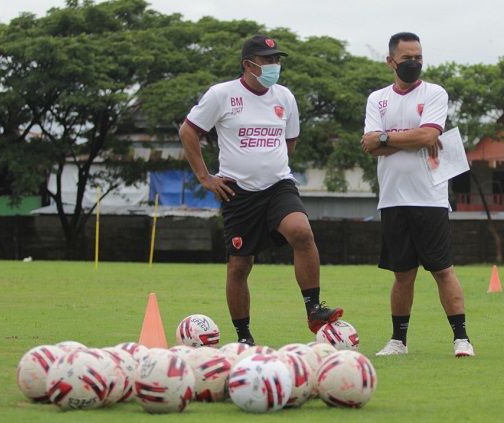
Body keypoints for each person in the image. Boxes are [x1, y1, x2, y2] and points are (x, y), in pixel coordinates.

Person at [178, 34, 342, 345]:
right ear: (248, 65)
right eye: (267, 61)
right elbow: (188, 131)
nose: (274, 66)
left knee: (302, 232)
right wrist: (205, 177)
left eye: (277, 60)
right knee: (240, 265)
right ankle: (244, 337)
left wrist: (269, 164)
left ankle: (314, 309)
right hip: (238, 193)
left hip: (279, 186)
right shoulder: (222, 95)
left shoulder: (284, 97)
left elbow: (290, 141)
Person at [360, 32, 474, 357]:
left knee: (442, 270)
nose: (414, 63)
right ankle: (398, 341)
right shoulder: (377, 99)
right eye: (407, 58)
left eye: (418, 57)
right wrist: (399, 138)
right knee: (402, 275)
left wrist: (386, 138)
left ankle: (461, 338)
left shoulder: (435, 92)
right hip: (393, 198)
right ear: (391, 61)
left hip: (430, 197)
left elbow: (428, 135)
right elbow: (369, 145)